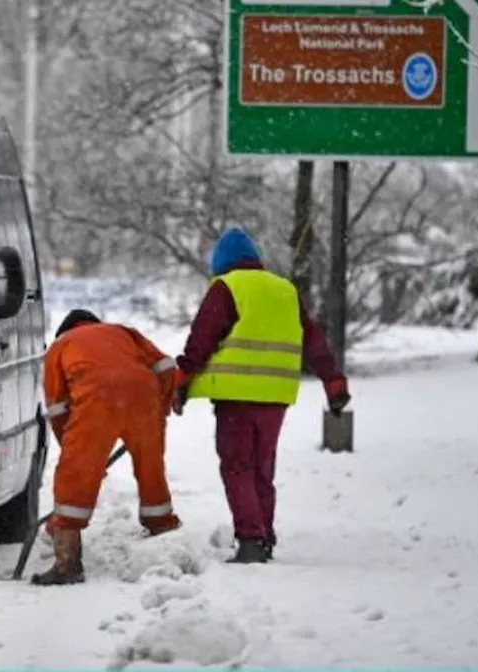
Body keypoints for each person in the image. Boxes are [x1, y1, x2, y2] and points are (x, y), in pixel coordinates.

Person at [173, 226, 351, 564]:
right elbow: (313, 339)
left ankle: (252, 540)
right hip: (276, 396)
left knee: (237, 466)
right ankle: (263, 536)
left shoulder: (227, 287)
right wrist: (333, 382)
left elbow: (202, 339)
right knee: (261, 468)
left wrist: (182, 378)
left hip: (236, 397)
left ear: (221, 264)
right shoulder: (285, 289)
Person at [33, 309, 181, 585]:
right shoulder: (122, 333)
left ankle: (68, 562)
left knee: (72, 477)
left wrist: (77, 453)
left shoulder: (61, 346)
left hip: (96, 400)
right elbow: (165, 366)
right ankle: (162, 526)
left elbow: (57, 407)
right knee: (151, 467)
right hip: (143, 396)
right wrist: (163, 405)